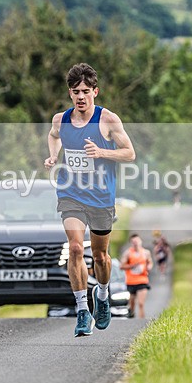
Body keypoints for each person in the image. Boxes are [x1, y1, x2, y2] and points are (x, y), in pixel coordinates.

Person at [44, 62, 136, 337]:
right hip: (71, 193)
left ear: (95, 91)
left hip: (101, 197)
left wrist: (102, 152)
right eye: (76, 92)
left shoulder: (108, 120)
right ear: (70, 93)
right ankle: (82, 310)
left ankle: (103, 296)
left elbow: (129, 153)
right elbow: (53, 136)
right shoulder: (61, 120)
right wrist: (54, 155)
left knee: (100, 256)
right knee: (75, 248)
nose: (80, 96)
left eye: (85, 91)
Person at [120, 233, 153, 318]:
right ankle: (131, 313)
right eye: (133, 242)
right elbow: (121, 266)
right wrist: (132, 266)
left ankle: (141, 322)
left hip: (142, 280)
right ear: (131, 243)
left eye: (137, 241)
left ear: (140, 241)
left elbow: (150, 262)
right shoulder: (128, 253)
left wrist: (149, 267)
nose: (136, 243)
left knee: (141, 303)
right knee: (132, 304)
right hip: (131, 281)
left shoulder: (146, 252)